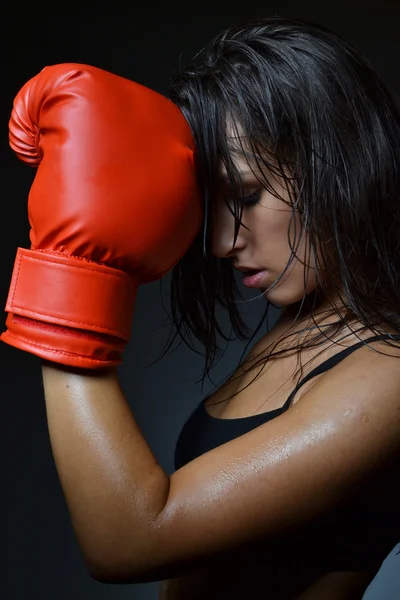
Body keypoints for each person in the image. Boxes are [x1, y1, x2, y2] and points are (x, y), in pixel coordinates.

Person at [2, 16, 400, 600]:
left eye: (244, 196)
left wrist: (74, 280)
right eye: (210, 208)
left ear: (336, 162)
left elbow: (129, 539)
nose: (219, 244)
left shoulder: (386, 376)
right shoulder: (299, 330)